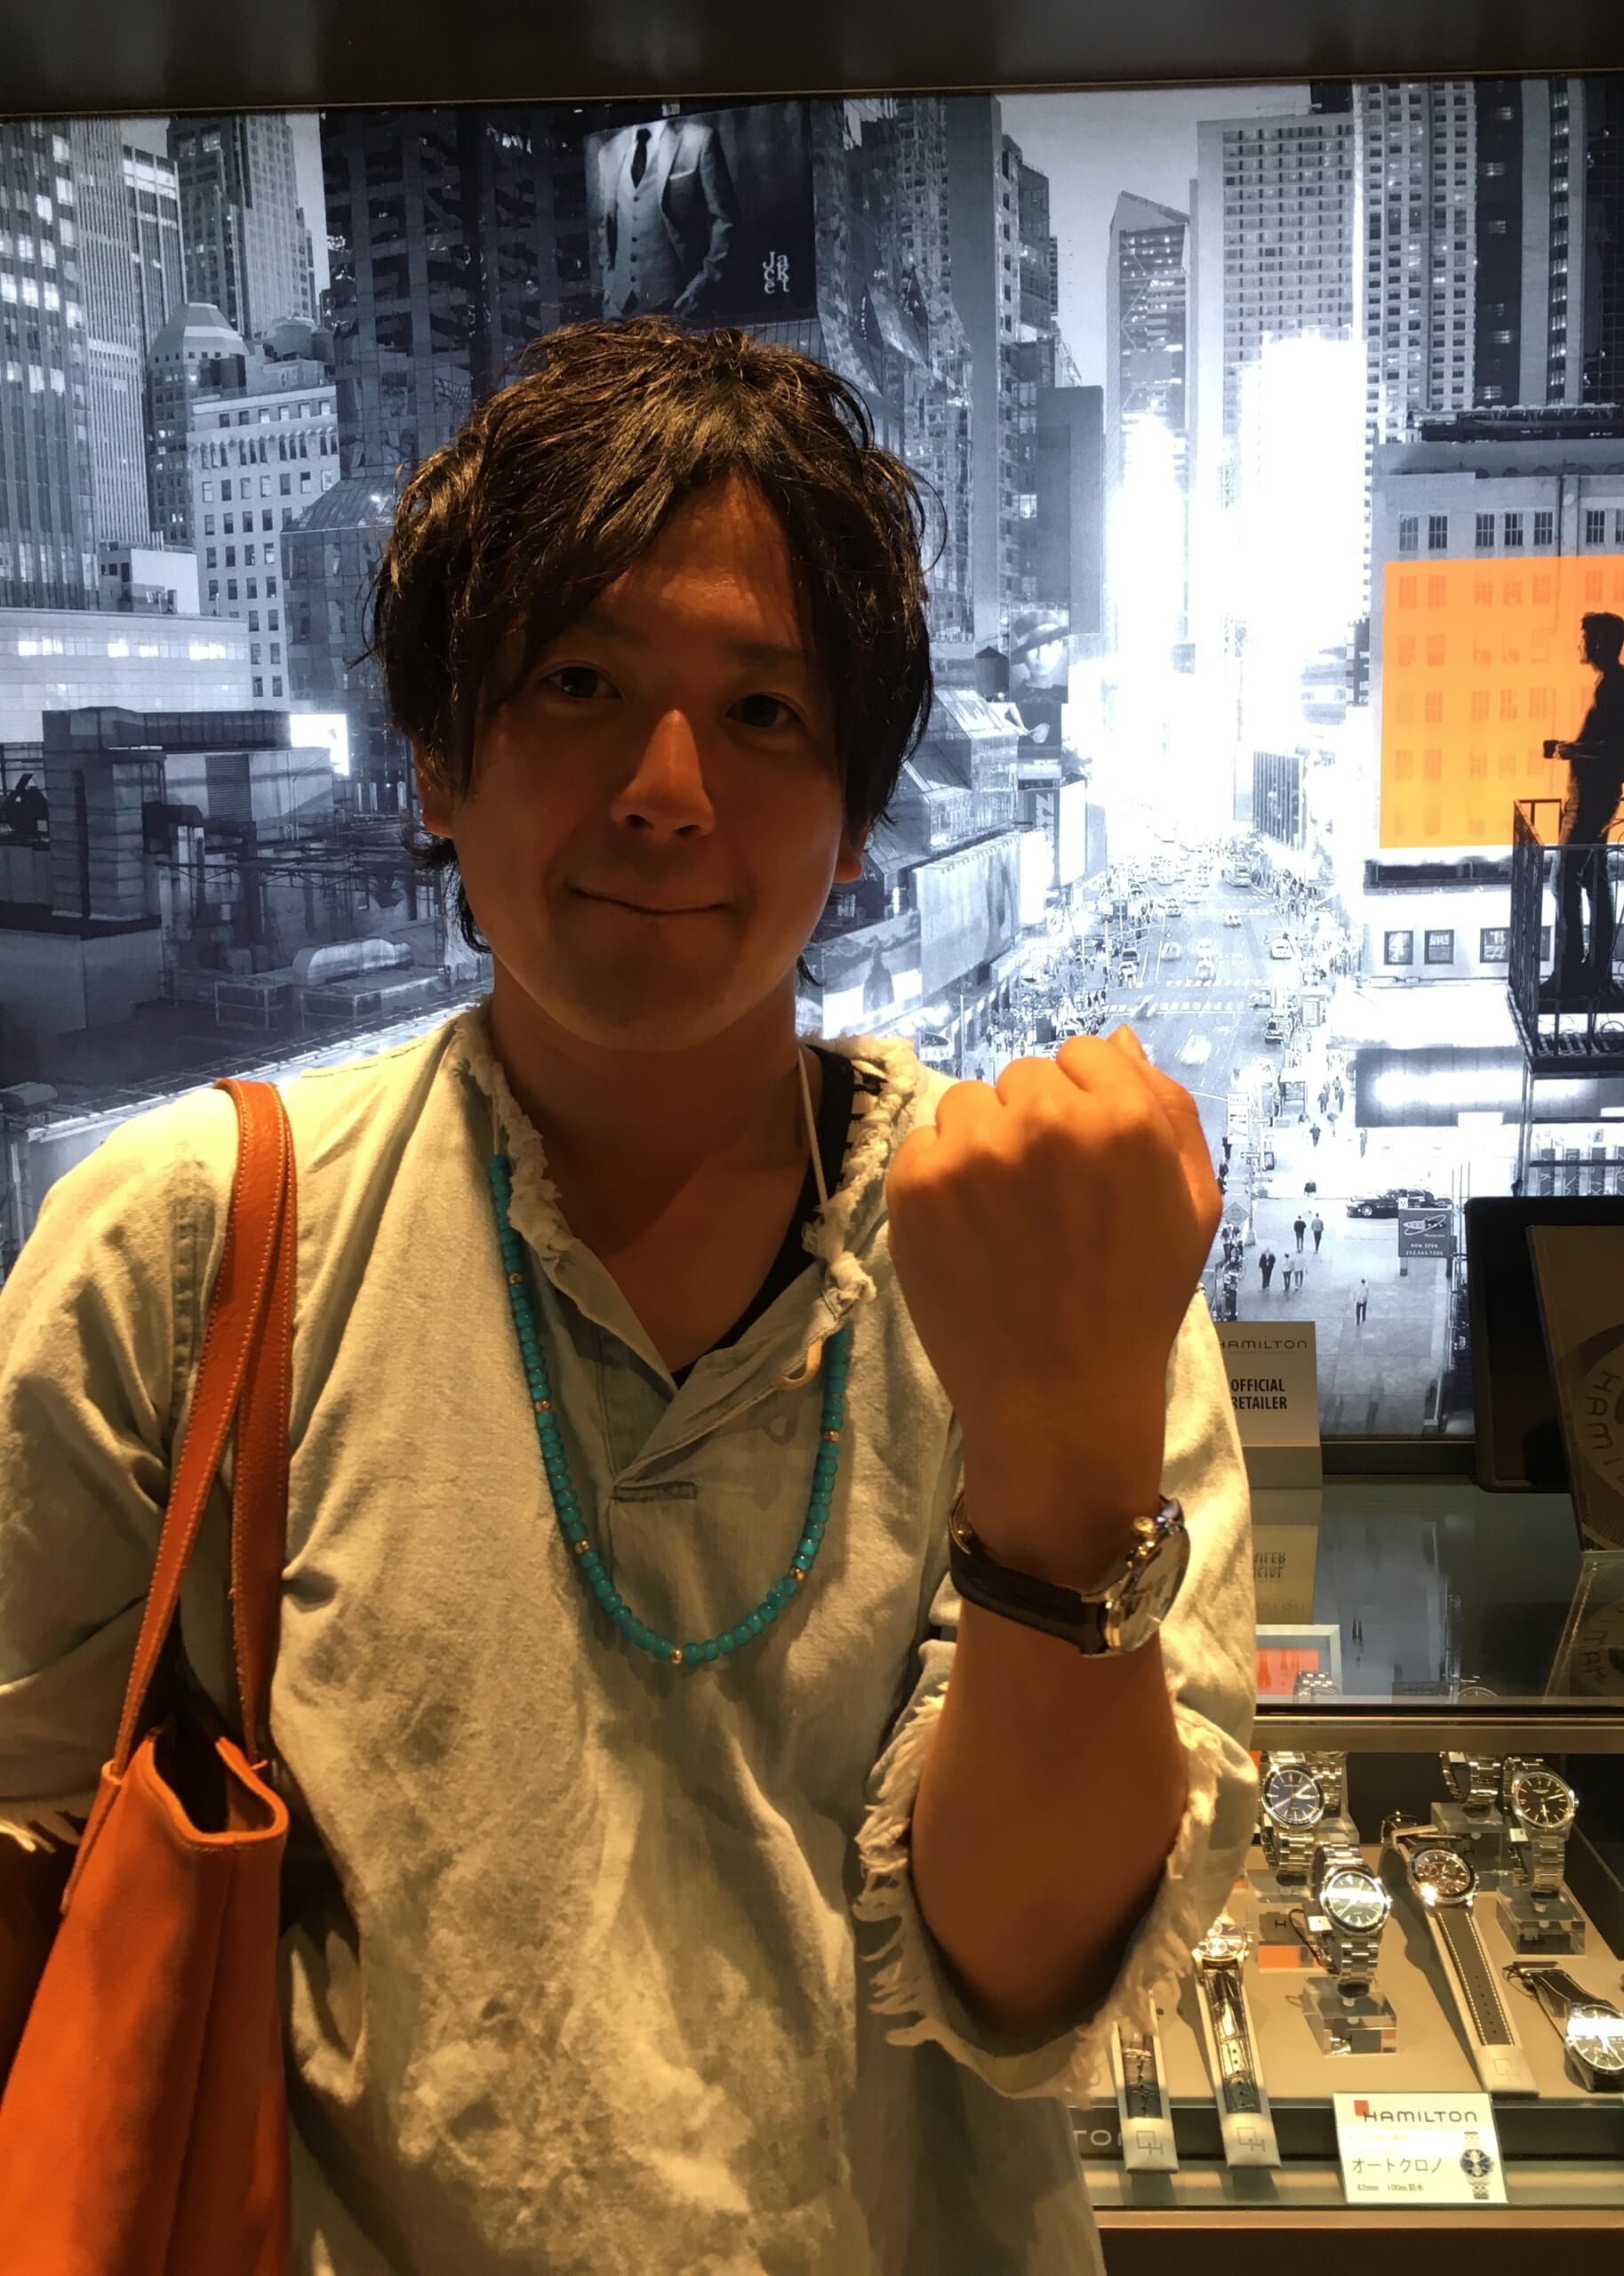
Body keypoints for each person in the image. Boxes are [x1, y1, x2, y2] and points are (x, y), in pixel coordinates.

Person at [0, 320, 1256, 2276]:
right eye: (581, 684)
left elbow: (1027, 1976)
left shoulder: (1039, 1257)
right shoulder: (190, 1245)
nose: (669, 790)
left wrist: (1064, 1449)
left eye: (764, 713)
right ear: (437, 758)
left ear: (856, 815)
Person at [1541, 611, 1624, 999]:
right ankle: (1595, 971)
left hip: (1590, 800)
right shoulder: (1617, 682)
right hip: (1594, 797)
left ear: (1598, 642)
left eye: (1582, 637)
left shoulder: (1614, 685)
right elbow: (1612, 744)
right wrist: (1572, 748)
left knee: (1563, 878)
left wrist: (1571, 750)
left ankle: (1569, 974)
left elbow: (1615, 748)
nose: (1578, 644)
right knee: (1594, 879)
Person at [594, 116, 740, 323]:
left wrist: (699, 289)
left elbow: (725, 222)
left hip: (678, 307)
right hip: (620, 312)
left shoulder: (698, 140)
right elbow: (605, 227)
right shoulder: (609, 152)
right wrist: (609, 292)